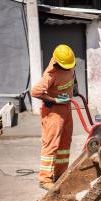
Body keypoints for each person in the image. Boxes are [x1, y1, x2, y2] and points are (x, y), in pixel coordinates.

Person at [31, 44, 77, 190]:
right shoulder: (51, 74)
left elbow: (72, 78)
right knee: (51, 145)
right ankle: (45, 179)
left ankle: (61, 174)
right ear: (58, 62)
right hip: (53, 113)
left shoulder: (70, 65)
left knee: (65, 143)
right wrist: (55, 100)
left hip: (66, 109)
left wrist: (74, 89)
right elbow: (35, 91)